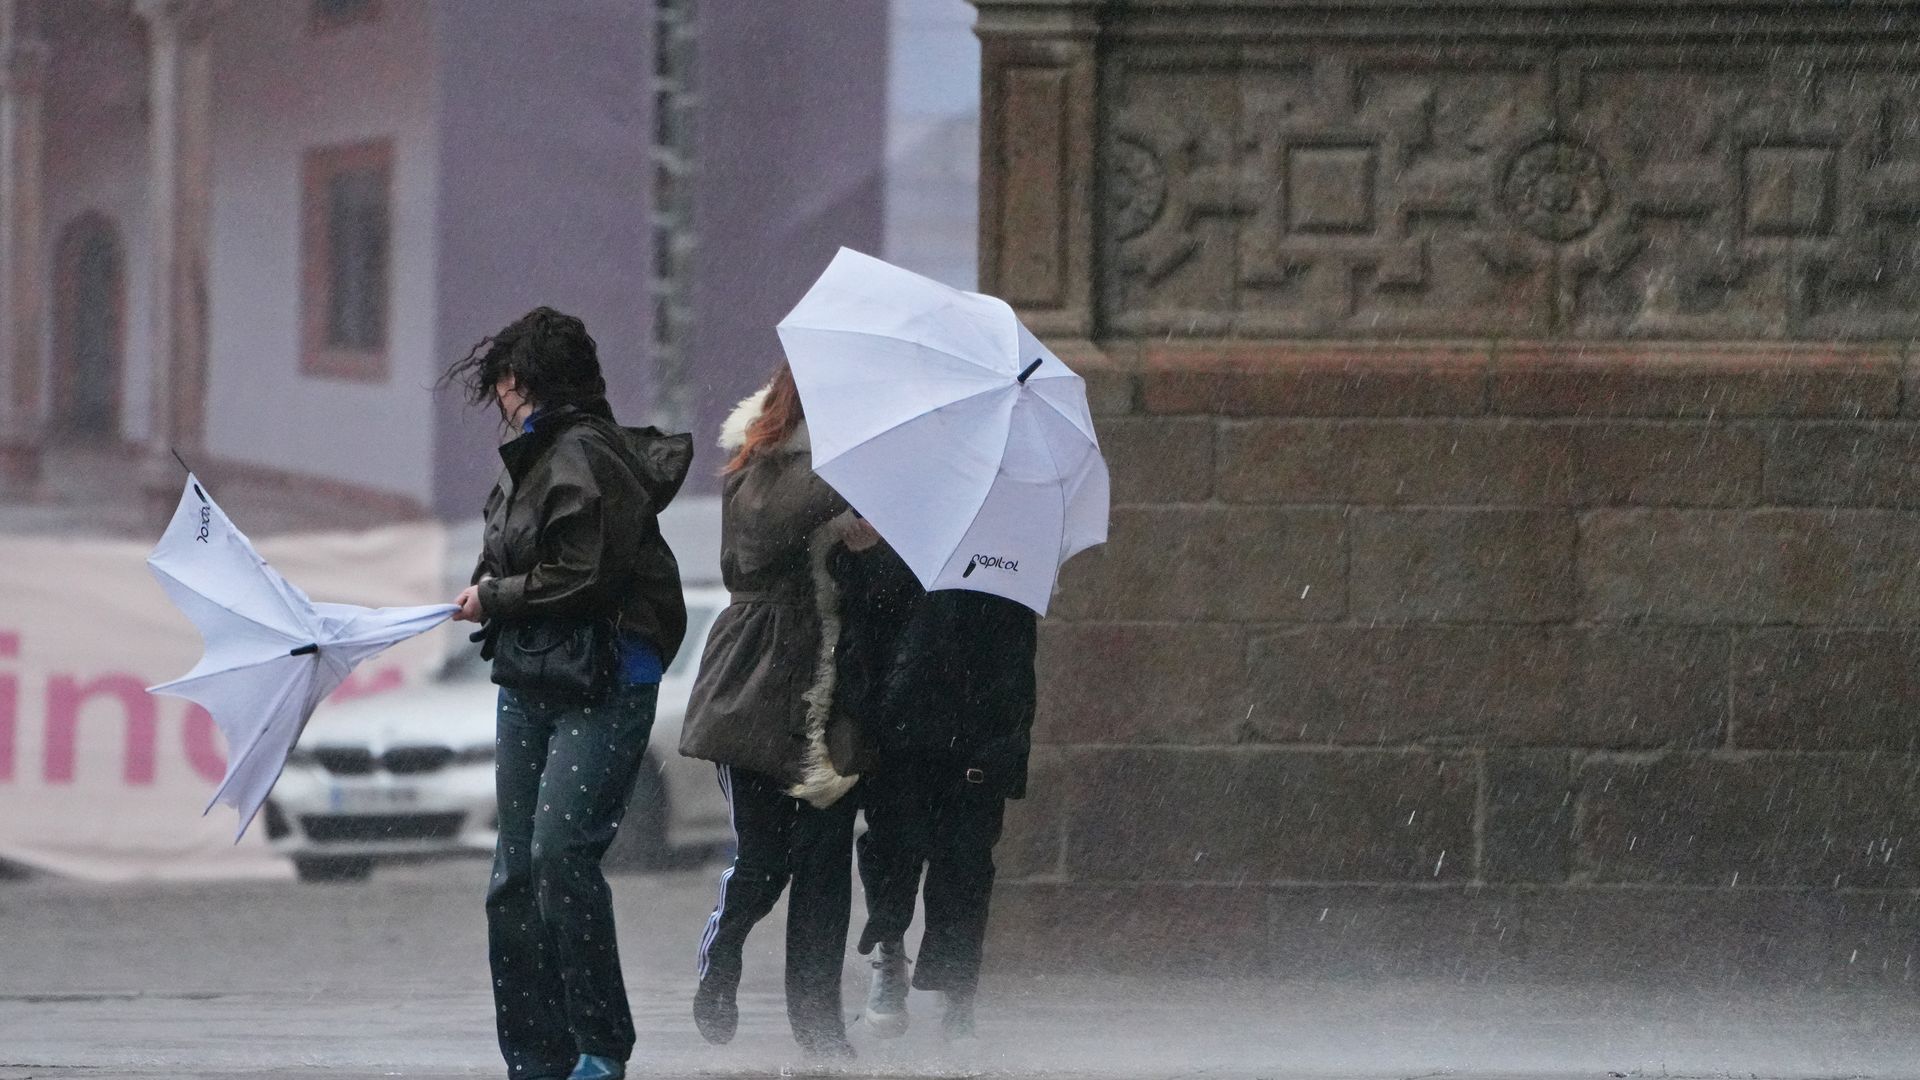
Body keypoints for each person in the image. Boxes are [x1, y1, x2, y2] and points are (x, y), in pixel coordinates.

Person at [445, 307, 692, 1080]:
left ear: (520, 382)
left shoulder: (586, 456)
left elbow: (585, 574)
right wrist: (489, 587)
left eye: (502, 386)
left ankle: (599, 1047)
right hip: (531, 677)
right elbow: (518, 561)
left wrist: (499, 598)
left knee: (559, 856)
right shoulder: (527, 460)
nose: (499, 401)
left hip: (606, 680)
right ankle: (533, 1061)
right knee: (513, 879)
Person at [676, 365, 881, 1060]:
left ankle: (821, 1028)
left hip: (833, 694)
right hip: (758, 681)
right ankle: (723, 950)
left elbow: (875, 590)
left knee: (825, 865)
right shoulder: (758, 461)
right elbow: (768, 529)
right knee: (764, 858)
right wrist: (847, 496)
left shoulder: (851, 476)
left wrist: (865, 544)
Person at [853, 584, 1038, 1042]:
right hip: (903, 736)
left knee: (966, 868)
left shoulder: (1003, 568)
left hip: (975, 739)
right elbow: (865, 635)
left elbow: (1015, 670)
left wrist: (1002, 750)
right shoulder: (898, 553)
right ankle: (890, 955)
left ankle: (957, 994)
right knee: (892, 854)